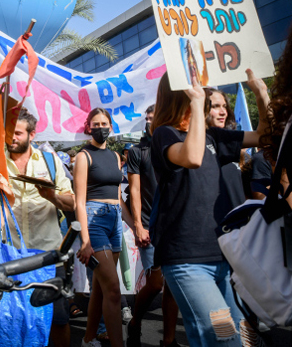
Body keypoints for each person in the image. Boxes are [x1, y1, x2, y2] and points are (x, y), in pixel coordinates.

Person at [150, 69, 269, 347]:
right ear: (181, 94)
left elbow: (264, 136)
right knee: (223, 338)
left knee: (240, 340)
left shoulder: (215, 137)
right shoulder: (165, 135)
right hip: (186, 261)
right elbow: (191, 157)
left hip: (221, 257)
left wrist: (261, 93)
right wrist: (195, 103)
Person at [0, 109, 75, 347]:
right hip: (8, 257)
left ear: (32, 135)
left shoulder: (50, 162)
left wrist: (51, 196)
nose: (12, 138)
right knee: (12, 319)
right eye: (9, 133)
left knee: (58, 319)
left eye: (18, 133)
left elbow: (72, 201)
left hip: (49, 256)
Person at [74, 108, 134, 347]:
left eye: (104, 123)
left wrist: (136, 226)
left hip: (114, 219)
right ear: (88, 127)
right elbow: (79, 201)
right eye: (95, 124)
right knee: (113, 289)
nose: (101, 127)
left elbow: (119, 196)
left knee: (100, 287)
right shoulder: (83, 156)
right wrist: (85, 241)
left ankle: (88, 339)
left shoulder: (115, 156)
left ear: (111, 126)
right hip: (94, 219)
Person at [126, 105, 179, 347]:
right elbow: (134, 190)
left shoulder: (174, 147)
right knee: (156, 283)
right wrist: (138, 225)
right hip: (149, 224)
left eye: (154, 118)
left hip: (174, 224)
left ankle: (169, 340)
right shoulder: (137, 151)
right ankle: (135, 321)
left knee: (173, 284)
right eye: (147, 119)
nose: (150, 122)